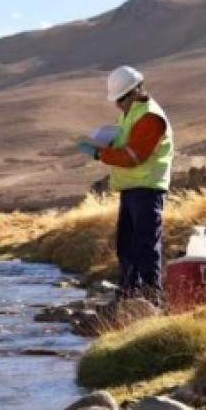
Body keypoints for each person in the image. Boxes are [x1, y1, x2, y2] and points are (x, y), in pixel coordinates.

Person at [76, 66, 173, 304]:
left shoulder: (150, 117)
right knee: (127, 245)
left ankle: (151, 299)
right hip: (132, 188)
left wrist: (102, 155)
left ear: (135, 91)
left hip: (148, 188)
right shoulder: (130, 113)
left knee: (146, 245)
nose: (117, 105)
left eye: (120, 99)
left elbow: (134, 156)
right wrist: (106, 144)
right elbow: (123, 145)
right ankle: (128, 295)